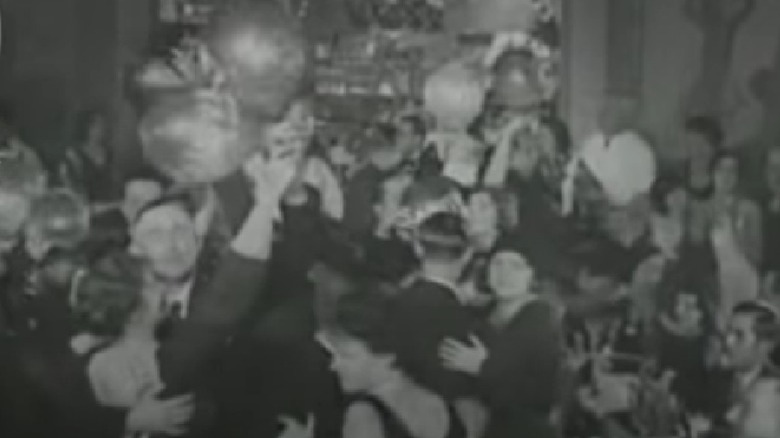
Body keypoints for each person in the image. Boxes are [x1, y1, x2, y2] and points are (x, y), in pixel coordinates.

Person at [277, 291, 467, 438]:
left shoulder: (364, 415)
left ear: (387, 357)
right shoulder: (447, 404)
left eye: (347, 356)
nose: (334, 365)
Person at [439, 242, 563, 438]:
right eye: (498, 264)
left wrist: (484, 368)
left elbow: (541, 396)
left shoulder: (541, 323)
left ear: (532, 274)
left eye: (516, 266)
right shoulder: (479, 315)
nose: (505, 274)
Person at [59, 109, 115, 202]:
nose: (101, 129)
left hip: (107, 202)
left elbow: (111, 182)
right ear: (87, 127)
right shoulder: (74, 153)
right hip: (84, 204)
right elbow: (68, 183)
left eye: (103, 125)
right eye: (96, 125)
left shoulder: (108, 152)